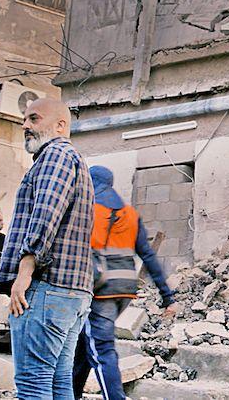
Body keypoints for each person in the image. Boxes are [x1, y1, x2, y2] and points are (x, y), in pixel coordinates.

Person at [0, 98, 94, 400]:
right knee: (58, 380)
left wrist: (23, 274)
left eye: (34, 119)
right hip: (72, 292)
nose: (25, 125)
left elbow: (44, 216)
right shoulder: (73, 160)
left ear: (60, 125)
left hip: (47, 288)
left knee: (33, 382)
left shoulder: (55, 155)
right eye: (24, 119)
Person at [72, 166, 178, 400]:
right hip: (124, 290)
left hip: (100, 289)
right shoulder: (129, 214)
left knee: (101, 349)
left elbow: (82, 248)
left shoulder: (91, 209)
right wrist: (167, 296)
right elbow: (148, 256)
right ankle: (71, 395)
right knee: (83, 347)